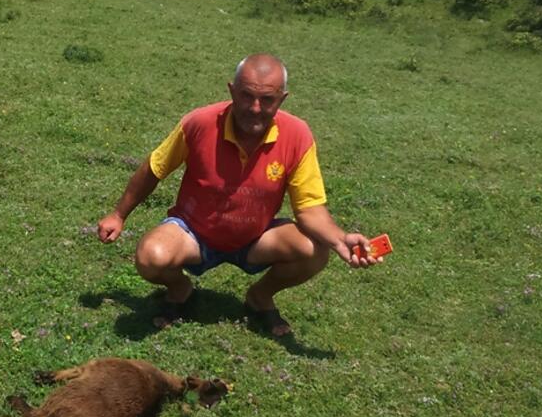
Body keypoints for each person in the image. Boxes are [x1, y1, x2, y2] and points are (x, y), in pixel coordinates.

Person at [97, 54, 381, 336]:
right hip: (195, 234)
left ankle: (260, 297)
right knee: (150, 257)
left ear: (282, 99)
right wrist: (119, 214)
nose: (255, 108)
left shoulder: (297, 135)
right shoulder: (200, 123)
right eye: (246, 96)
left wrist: (340, 239)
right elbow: (154, 168)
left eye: (267, 100)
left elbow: (309, 209)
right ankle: (180, 289)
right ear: (232, 91)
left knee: (316, 250)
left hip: (255, 238)